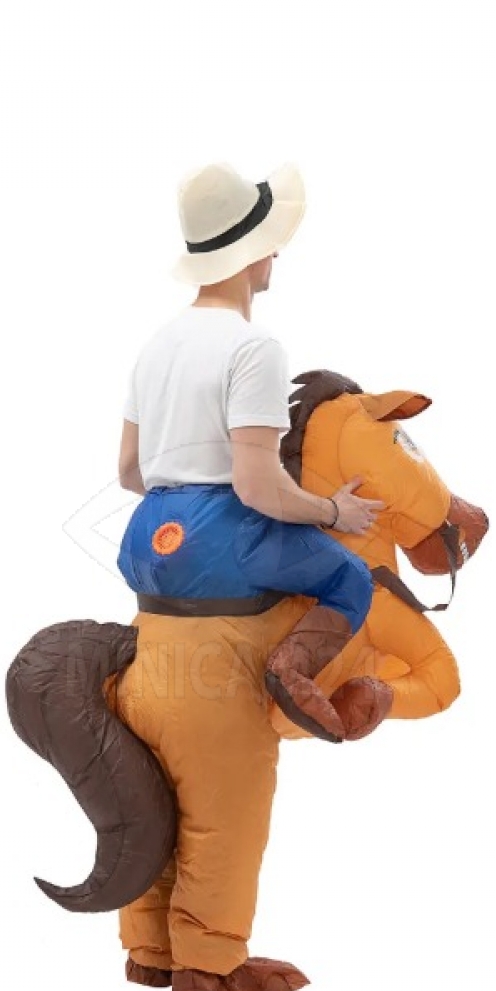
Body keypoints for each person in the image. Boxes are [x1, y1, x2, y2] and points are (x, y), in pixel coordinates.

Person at [117, 160, 388, 742]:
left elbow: (129, 471)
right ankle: (291, 672)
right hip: (220, 538)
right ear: (250, 254)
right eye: (270, 244)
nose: (277, 255)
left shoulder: (155, 347)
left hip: (145, 541)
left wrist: (181, 488)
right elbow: (256, 486)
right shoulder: (254, 347)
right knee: (351, 577)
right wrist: (333, 511)